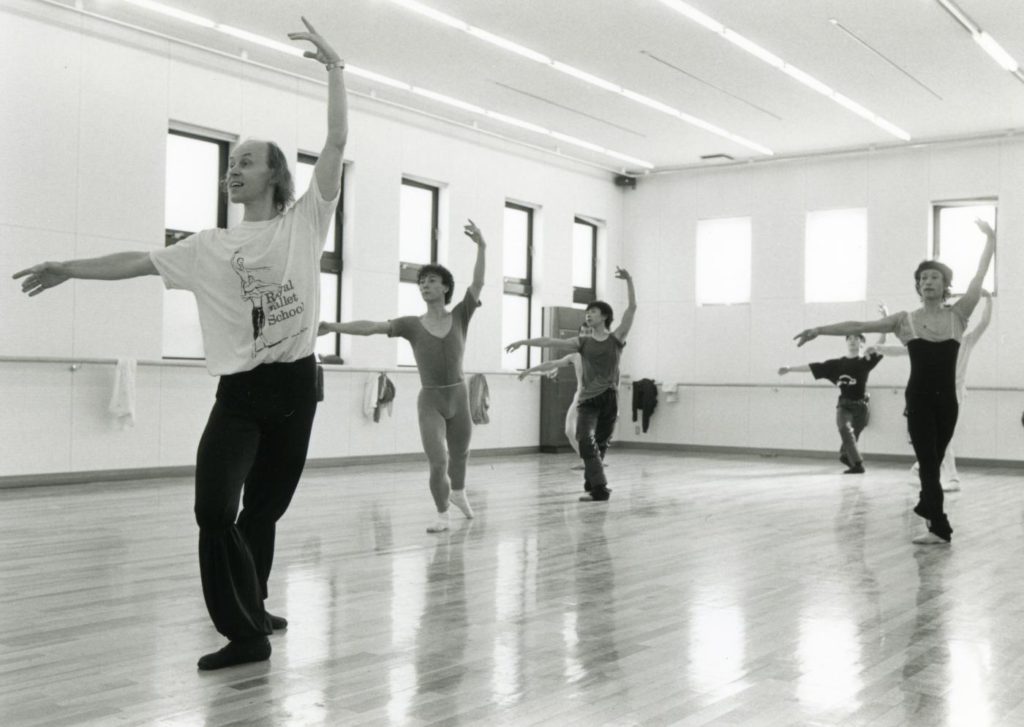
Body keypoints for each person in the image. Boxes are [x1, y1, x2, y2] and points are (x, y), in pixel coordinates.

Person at [14, 18, 347, 669]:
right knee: (214, 506)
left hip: (297, 386)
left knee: (265, 510)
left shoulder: (307, 220)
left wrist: (336, 72)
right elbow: (137, 261)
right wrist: (68, 268)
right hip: (243, 394)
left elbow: (336, 140)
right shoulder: (208, 247)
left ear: (277, 176)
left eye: (245, 162)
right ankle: (243, 632)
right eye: (230, 165)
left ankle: (255, 608)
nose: (234, 171)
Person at [794, 220, 996, 545]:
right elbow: (860, 322)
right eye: (923, 278)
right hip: (918, 399)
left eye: (934, 277)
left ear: (945, 285)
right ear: (918, 286)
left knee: (937, 455)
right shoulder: (905, 320)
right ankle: (939, 526)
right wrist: (819, 329)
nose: (927, 281)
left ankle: (924, 504)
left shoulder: (958, 314)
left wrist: (991, 239)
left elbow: (979, 275)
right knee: (929, 462)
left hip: (948, 400)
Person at [318, 221, 486, 533]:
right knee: (439, 460)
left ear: (445, 288)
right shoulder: (411, 324)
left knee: (460, 456)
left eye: (431, 281)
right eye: (421, 282)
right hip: (431, 399)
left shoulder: (461, 314)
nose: (424, 286)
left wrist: (482, 246)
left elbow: (478, 283)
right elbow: (372, 327)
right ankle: (442, 514)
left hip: (459, 396)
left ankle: (459, 495)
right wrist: (332, 326)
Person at [506, 268, 636, 501]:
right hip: (587, 399)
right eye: (587, 313)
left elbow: (632, 309)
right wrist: (524, 341)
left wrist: (629, 281)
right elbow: (550, 341)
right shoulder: (582, 343)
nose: (588, 315)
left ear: (604, 316)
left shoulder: (616, 339)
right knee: (584, 438)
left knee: (601, 444)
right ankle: (600, 489)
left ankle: (592, 485)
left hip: (609, 398)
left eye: (593, 312)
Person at [870, 290, 993, 491]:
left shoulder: (966, 341)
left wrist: (987, 299)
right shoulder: (930, 340)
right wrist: (880, 349)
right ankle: (922, 466)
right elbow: (904, 349)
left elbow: (985, 323)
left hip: (954, 393)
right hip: (930, 392)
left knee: (946, 436)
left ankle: (951, 478)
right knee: (932, 435)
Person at [778, 304, 889, 474]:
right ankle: (857, 464)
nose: (852, 340)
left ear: (861, 342)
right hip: (844, 405)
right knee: (844, 428)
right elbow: (813, 367)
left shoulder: (865, 360)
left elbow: (882, 341)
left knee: (853, 435)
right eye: (849, 338)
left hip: (862, 407)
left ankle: (846, 456)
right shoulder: (836, 365)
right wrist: (790, 368)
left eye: (856, 338)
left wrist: (885, 317)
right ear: (846, 342)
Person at [516, 324, 593, 468]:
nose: (585, 335)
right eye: (583, 332)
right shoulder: (575, 357)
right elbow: (551, 363)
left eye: (589, 332)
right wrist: (530, 369)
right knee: (570, 431)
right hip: (581, 397)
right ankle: (587, 460)